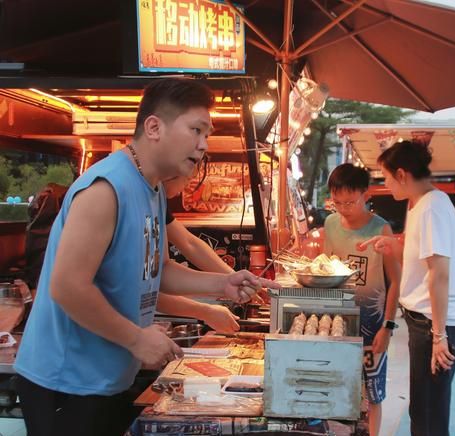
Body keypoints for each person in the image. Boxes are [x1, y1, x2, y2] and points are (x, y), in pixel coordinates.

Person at [14, 78, 279, 436]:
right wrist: (137, 339)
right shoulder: (105, 188)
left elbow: (157, 270)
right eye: (196, 130)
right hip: (67, 382)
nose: (204, 145)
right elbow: (67, 287)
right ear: (153, 127)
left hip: (106, 377)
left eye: (207, 133)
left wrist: (222, 283)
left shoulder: (151, 188)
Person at [358, 141, 455, 436]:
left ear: (402, 174)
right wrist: (394, 245)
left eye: (386, 177)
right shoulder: (421, 204)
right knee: (423, 408)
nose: (386, 184)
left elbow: (439, 275)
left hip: (435, 324)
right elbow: (422, 255)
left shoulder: (431, 207)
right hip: (426, 322)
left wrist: (439, 335)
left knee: (428, 416)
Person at [322, 164, 401, 436]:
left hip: (372, 324)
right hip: (337, 322)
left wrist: (388, 326)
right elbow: (327, 269)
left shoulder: (381, 229)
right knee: (339, 383)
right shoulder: (330, 224)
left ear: (365, 195)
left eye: (350, 201)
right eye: (337, 202)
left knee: (373, 391)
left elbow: (395, 281)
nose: (344, 208)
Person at [155, 174, 240, 334]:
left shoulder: (156, 196)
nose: (185, 189)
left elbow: (189, 244)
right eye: (188, 178)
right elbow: (152, 291)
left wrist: (232, 278)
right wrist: (205, 310)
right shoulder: (122, 188)